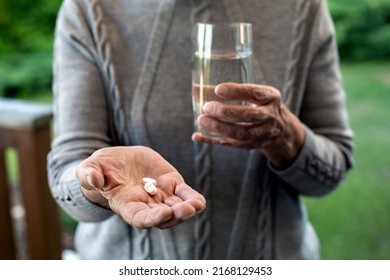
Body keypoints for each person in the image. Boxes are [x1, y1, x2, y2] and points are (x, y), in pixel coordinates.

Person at [47, 0, 354, 260]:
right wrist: (97, 181)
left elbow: (332, 170)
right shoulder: (90, 9)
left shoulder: (302, 7)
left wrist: (286, 137)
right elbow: (67, 172)